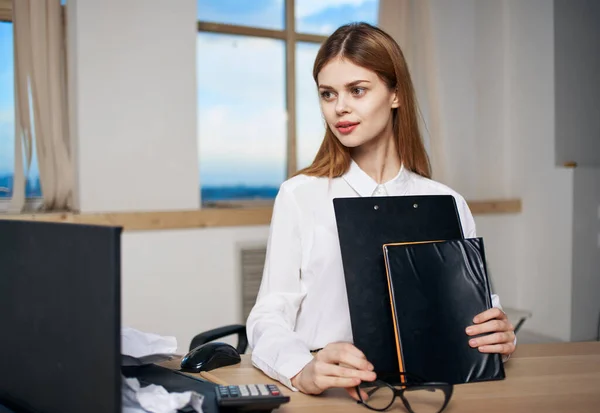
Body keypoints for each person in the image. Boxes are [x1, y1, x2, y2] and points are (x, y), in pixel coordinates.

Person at [246, 22, 516, 399]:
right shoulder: (299, 196)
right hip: (331, 396)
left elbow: (474, 312)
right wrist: (301, 369)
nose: (340, 107)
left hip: (431, 391)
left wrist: (498, 333)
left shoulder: (447, 202)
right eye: (327, 94)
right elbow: (267, 317)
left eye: (357, 90)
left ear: (395, 94)